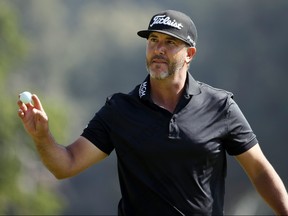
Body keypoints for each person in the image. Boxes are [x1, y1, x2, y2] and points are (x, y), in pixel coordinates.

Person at [17, 10, 288, 215]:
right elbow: (67, 164)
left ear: (189, 53)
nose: (158, 48)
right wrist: (43, 137)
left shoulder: (220, 106)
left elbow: (260, 171)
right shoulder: (120, 109)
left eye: (170, 42)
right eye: (153, 40)